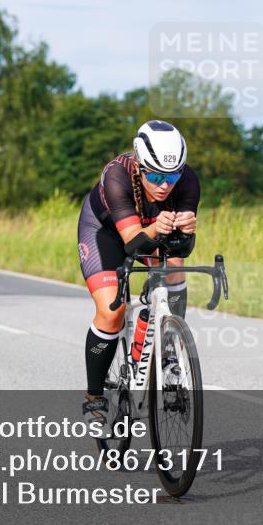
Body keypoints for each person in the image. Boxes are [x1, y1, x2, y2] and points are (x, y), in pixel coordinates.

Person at [76, 120, 199, 432]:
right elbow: (131, 241)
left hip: (149, 230)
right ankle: (93, 397)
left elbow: (182, 249)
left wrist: (185, 231)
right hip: (106, 235)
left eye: (171, 176)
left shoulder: (187, 181)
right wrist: (158, 229)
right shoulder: (116, 176)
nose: (164, 185)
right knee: (112, 311)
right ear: (140, 165)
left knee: (173, 268)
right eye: (155, 175)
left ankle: (170, 358)